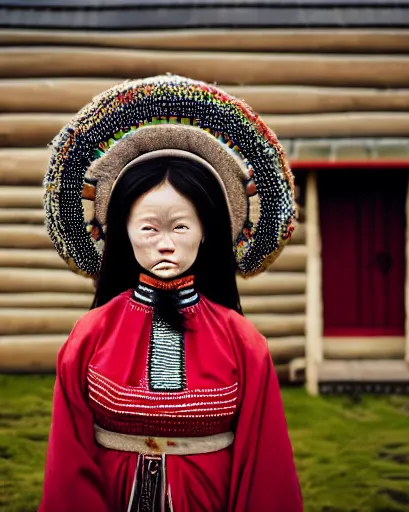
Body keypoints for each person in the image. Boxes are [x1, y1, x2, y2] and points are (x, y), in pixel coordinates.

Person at [39, 75, 302, 512]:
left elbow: (266, 466)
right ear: (122, 233)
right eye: (148, 227)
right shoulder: (89, 336)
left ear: (207, 233)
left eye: (181, 226)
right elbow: (68, 461)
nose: (165, 243)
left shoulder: (244, 344)